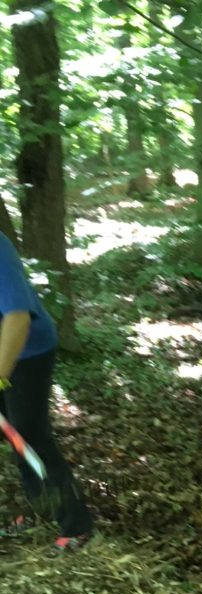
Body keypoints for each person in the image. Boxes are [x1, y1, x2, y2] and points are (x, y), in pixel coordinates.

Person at [0, 230, 94, 551]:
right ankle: (41, 506)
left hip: (26, 351)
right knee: (12, 434)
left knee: (29, 434)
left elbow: (17, 319)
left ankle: (77, 524)